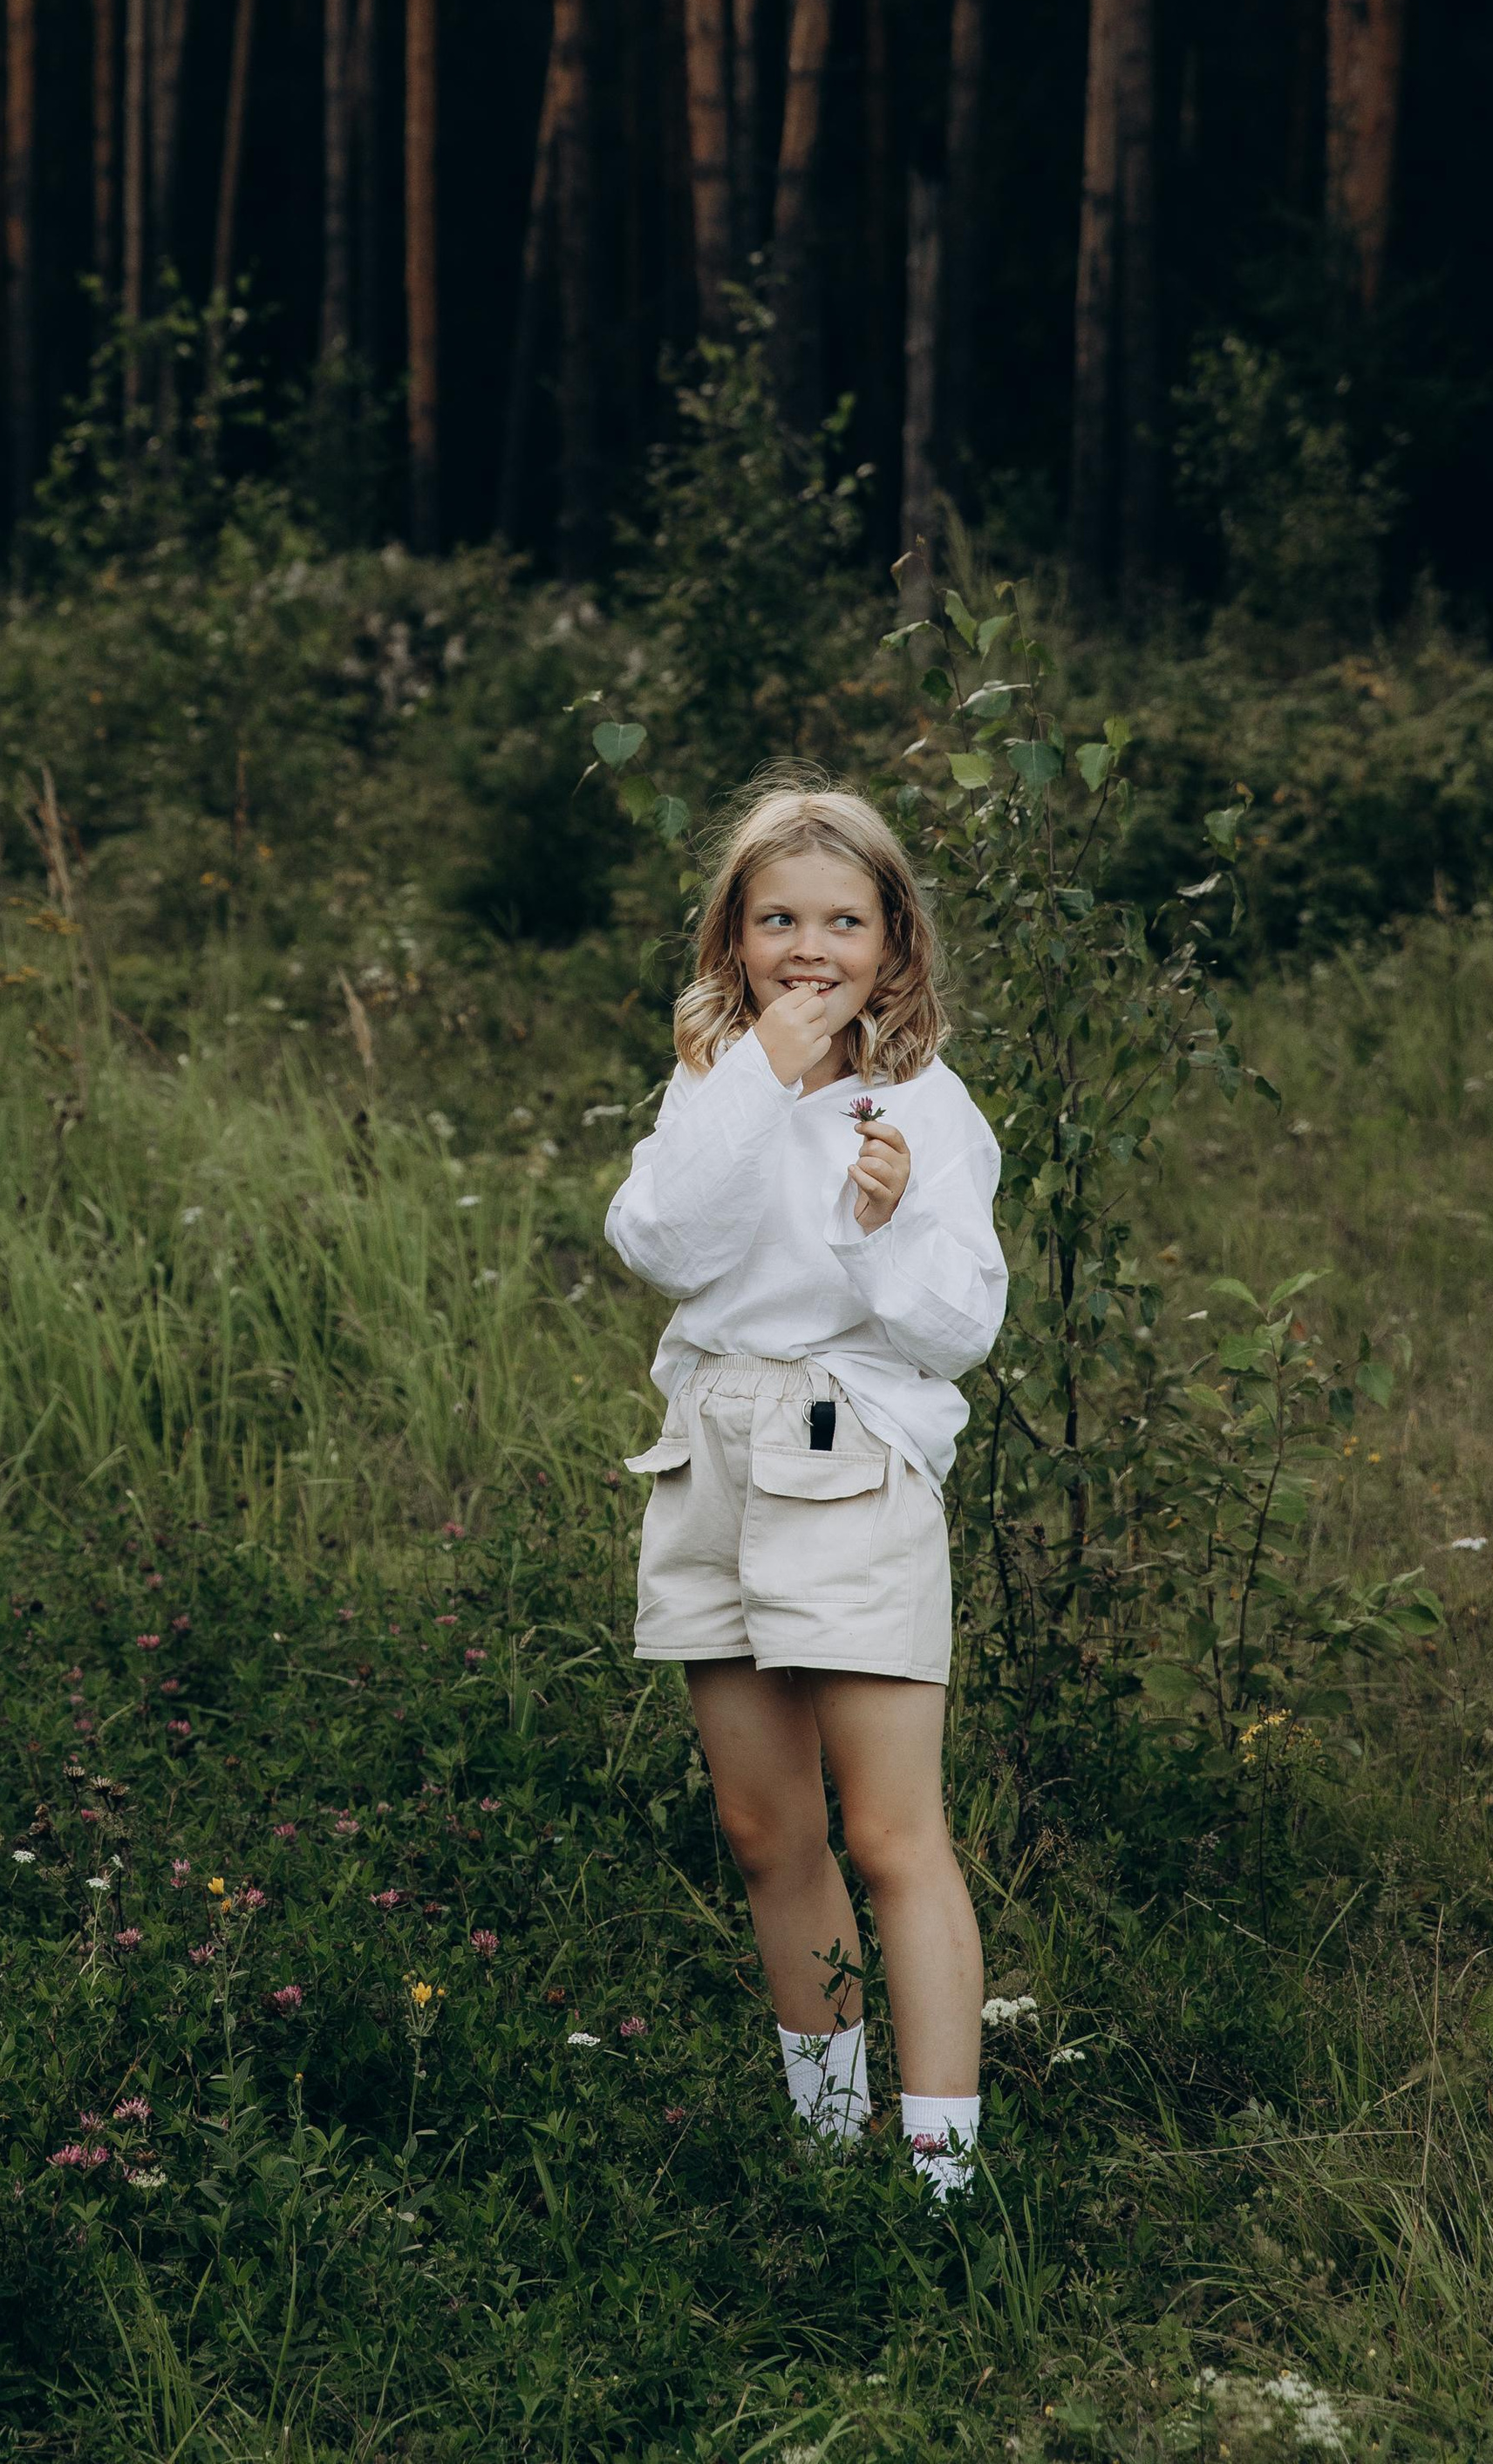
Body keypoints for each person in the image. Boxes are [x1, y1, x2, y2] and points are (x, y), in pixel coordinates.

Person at [605, 779, 1006, 2197]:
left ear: (895, 945)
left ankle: (943, 2176)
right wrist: (760, 1078)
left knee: (894, 1833)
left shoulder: (929, 1107)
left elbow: (960, 1326)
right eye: (780, 919)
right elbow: (662, 1240)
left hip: (851, 1458)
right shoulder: (718, 1082)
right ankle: (827, 2147)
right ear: (736, 939)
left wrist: (888, 1233)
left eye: (845, 920)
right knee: (764, 1827)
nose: (811, 947)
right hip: (713, 1448)